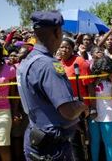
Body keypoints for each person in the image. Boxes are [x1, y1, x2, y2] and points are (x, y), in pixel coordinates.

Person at [16, 11, 87, 160]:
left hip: (36, 136)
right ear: (57, 32)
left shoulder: (29, 59)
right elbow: (68, 111)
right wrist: (82, 106)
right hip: (52, 146)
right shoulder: (49, 65)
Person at [89, 56, 112, 161]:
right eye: (101, 70)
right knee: (94, 141)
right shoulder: (93, 80)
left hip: (108, 114)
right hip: (94, 113)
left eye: (106, 70)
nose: (103, 72)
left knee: (108, 141)